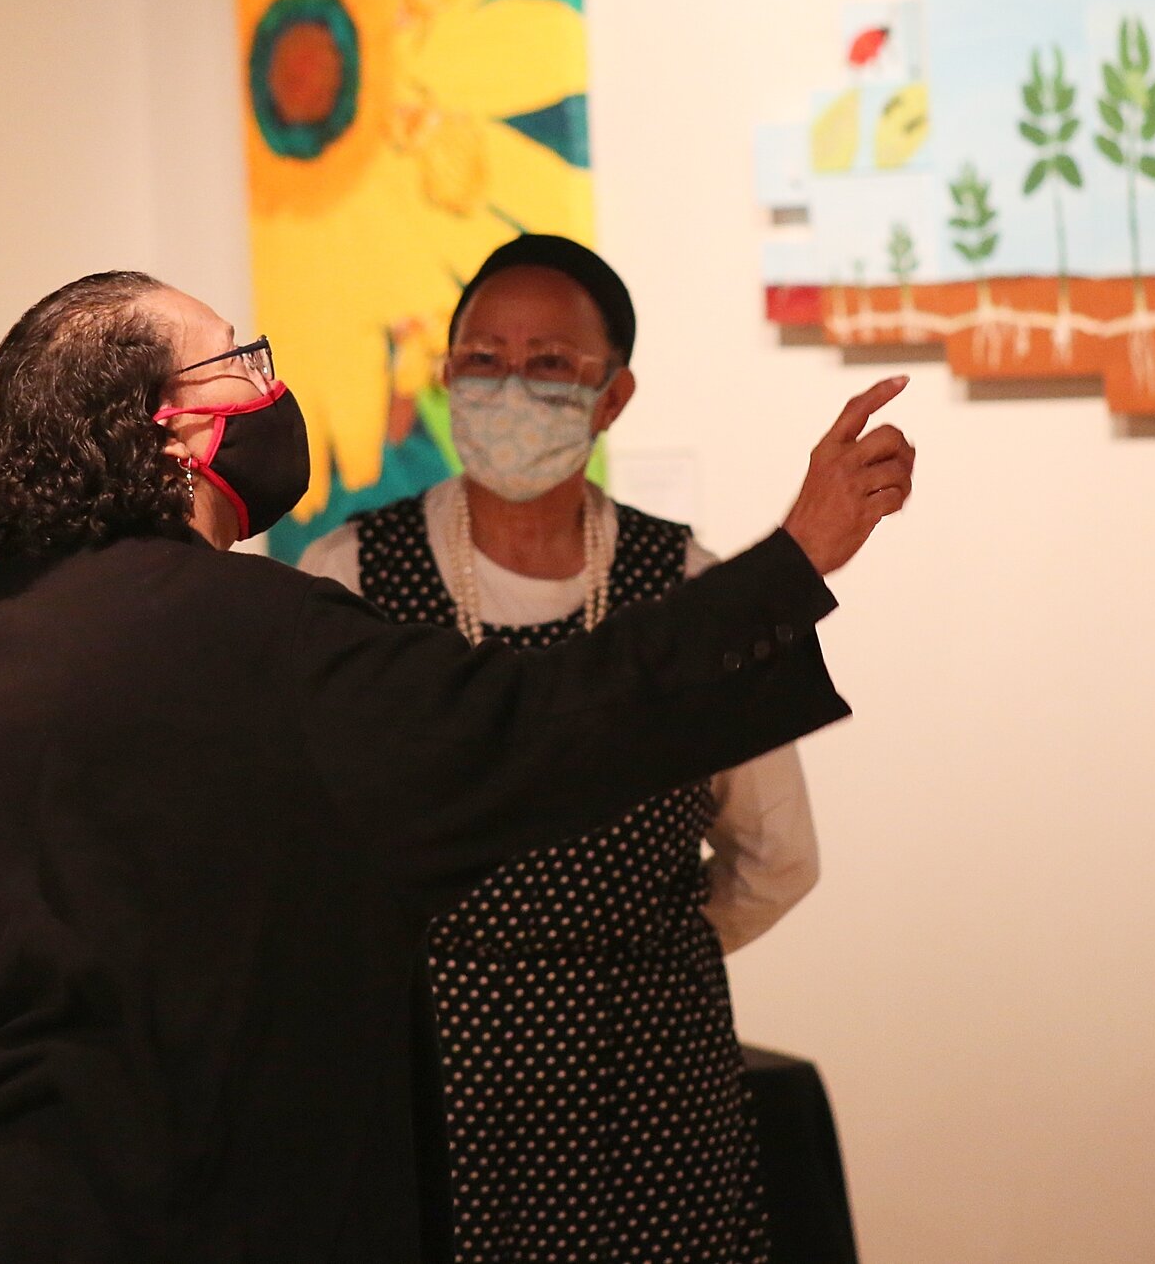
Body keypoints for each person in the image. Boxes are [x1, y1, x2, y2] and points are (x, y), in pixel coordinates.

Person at [0, 270, 914, 1263]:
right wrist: (793, 561)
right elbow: (534, 723)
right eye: (240, 359)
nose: (270, 384)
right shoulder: (268, 635)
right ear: (179, 427)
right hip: (200, 1211)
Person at [300, 235, 812, 1264]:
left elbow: (778, 854)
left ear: (612, 395)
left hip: (650, 1088)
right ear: (447, 376)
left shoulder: (695, 591)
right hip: (423, 1075)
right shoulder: (346, 577)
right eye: (483, 357)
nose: (508, 384)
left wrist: (631, 954)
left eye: (548, 363)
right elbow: (300, 851)